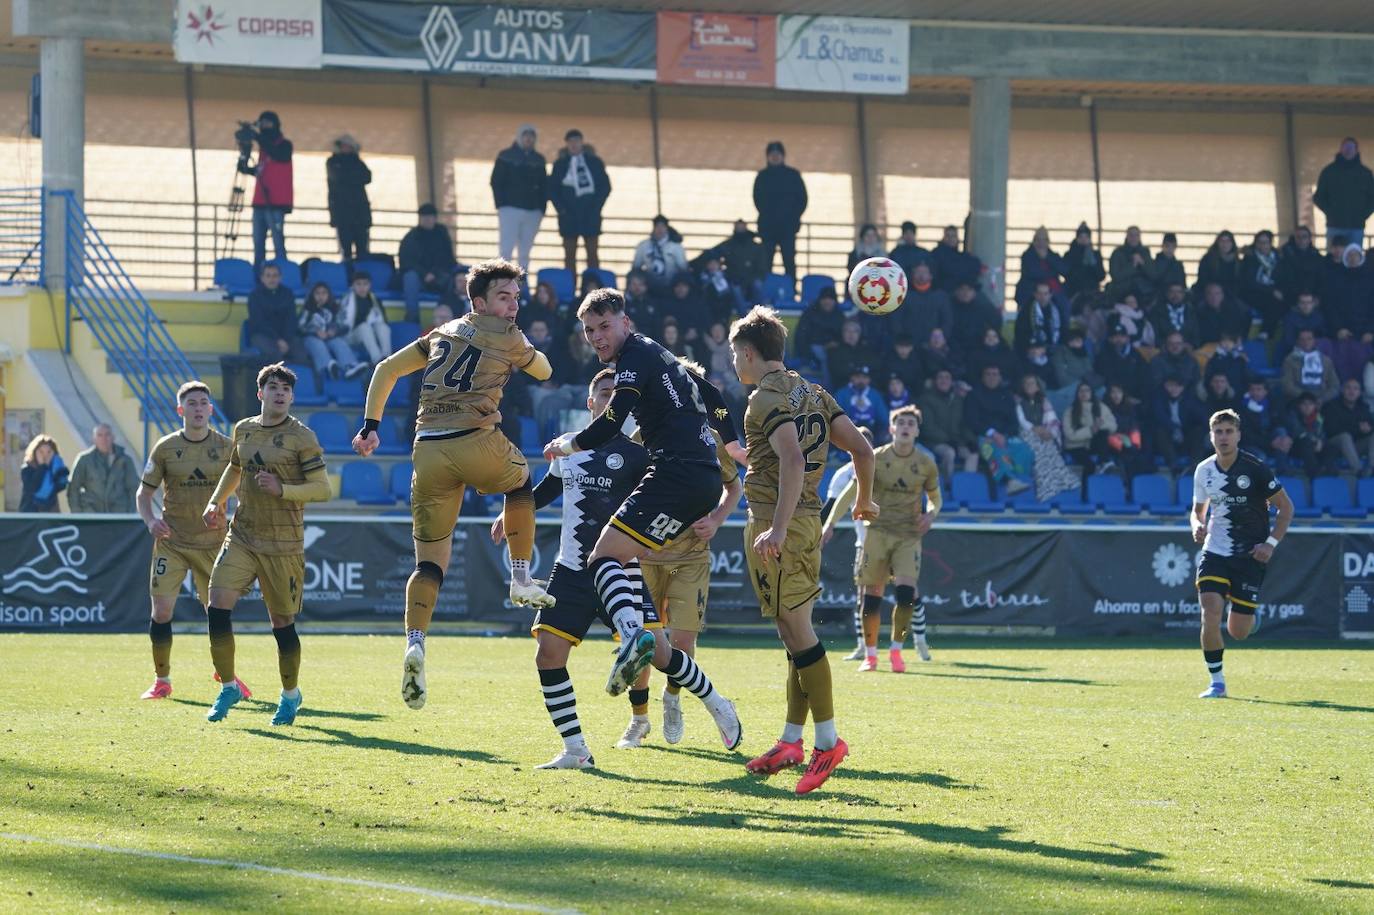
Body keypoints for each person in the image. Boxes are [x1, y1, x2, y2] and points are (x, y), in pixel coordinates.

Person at [541, 289, 743, 745]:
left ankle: (632, 638)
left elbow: (612, 424)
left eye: (604, 326)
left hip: (675, 474)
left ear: (625, 321)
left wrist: (567, 445)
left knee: (604, 556)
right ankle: (715, 704)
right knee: (617, 569)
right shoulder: (659, 353)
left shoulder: (634, 358)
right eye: (589, 330)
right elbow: (709, 391)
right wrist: (730, 440)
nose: (596, 337)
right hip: (697, 478)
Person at [353, 260, 556, 710]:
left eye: (517, 297)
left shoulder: (442, 333)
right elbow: (544, 372)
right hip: (474, 440)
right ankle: (520, 577)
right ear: (479, 301)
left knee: (429, 566)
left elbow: (386, 370)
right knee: (522, 482)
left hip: (426, 451)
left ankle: (416, 643)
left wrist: (371, 426)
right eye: (505, 297)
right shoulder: (508, 335)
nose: (514, 305)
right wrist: (525, 349)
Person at [729, 304, 877, 794]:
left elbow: (792, 459)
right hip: (807, 521)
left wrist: (776, 527)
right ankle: (791, 739)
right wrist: (866, 500)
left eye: (735, 355)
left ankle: (828, 741)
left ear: (749, 353)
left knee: (798, 632)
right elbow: (860, 449)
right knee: (795, 633)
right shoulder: (813, 392)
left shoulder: (763, 399)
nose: (734, 363)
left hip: (782, 524)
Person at [621, 359, 742, 749]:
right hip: (646, 556)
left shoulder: (712, 440)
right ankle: (638, 720)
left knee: (683, 646)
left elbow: (733, 488)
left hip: (691, 556)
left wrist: (718, 519)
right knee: (640, 644)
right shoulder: (643, 436)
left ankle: (672, 698)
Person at [201, 363, 331, 725]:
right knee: (218, 605)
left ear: (291, 396)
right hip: (242, 535)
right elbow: (235, 468)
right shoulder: (243, 429)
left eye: (286, 389)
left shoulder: (302, 437)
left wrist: (283, 489)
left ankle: (290, 695)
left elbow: (323, 489)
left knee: (281, 622)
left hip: (283, 543)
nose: (280, 393)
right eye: (274, 387)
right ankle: (228, 686)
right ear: (261, 393)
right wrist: (216, 501)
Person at [135, 382, 244, 701]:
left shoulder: (227, 448)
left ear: (211, 410)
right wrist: (151, 520)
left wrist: (231, 517)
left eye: (204, 403)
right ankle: (162, 679)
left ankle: (227, 675)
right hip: (172, 541)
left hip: (212, 544)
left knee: (217, 613)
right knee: (162, 611)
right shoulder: (166, 448)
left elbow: (242, 493)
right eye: (192, 403)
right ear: (181, 410)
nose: (199, 408)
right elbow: (144, 494)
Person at [1191, 409, 1293, 698]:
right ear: (1211, 436)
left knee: (1239, 631)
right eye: (1218, 432)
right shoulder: (1204, 470)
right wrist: (1197, 525)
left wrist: (1269, 545)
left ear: (1238, 435)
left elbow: (1286, 509)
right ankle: (1217, 682)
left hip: (1249, 555)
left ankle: (1249, 616)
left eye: (1228, 431)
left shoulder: (1256, 468)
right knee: (1209, 613)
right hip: (1215, 551)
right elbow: (1197, 512)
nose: (1223, 437)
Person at [828, 406, 939, 672]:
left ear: (917, 430)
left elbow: (936, 498)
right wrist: (829, 523)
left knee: (906, 594)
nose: (905, 426)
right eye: (900, 422)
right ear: (891, 429)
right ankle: (871, 654)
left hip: (908, 536)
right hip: (876, 532)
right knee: (872, 595)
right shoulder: (874, 458)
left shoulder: (926, 463)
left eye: (911, 423)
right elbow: (849, 491)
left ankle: (897, 652)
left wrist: (931, 515)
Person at [818, 425, 875, 660]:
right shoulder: (844, 475)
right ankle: (864, 647)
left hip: (894, 538)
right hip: (865, 543)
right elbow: (831, 507)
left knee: (909, 591)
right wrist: (824, 528)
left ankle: (919, 643)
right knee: (863, 595)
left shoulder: (885, 467)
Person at [549, 128, 610, 276]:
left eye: (576, 141)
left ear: (582, 142)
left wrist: (596, 207)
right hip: (568, 217)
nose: (574, 144)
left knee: (592, 254)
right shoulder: (560, 164)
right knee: (569, 256)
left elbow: (605, 186)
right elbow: (552, 189)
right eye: (570, 142)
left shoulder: (594, 162)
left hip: (590, 215)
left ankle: (595, 288)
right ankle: (571, 290)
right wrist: (562, 210)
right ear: (567, 144)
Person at [236, 111, 292, 269]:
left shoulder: (284, 145)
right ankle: (258, 275)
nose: (265, 127)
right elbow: (250, 170)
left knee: (278, 243)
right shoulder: (264, 150)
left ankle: (283, 273)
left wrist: (257, 136)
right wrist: (244, 153)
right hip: (260, 202)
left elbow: (278, 154)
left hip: (277, 203)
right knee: (258, 243)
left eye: (268, 123)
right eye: (262, 124)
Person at [965, 365, 1032, 495]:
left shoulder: (1006, 395)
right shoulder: (973, 395)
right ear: (982, 377)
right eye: (988, 374)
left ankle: (1022, 480)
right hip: (983, 436)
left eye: (995, 374)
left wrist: (1003, 435)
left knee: (1025, 450)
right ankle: (1009, 481)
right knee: (994, 449)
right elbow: (971, 420)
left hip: (1005, 435)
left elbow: (1013, 422)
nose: (992, 377)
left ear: (1000, 377)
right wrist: (993, 433)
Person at [491, 124, 547, 272]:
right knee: (506, 249)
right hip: (510, 208)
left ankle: (522, 283)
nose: (528, 139)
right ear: (519, 137)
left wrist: (541, 208)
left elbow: (544, 185)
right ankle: (502, 279)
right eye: (525, 135)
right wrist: (501, 205)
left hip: (532, 211)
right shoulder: (505, 156)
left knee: (525, 251)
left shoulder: (539, 159)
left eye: (531, 136)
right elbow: (496, 181)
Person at [753, 141, 807, 289]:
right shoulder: (762, 176)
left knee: (789, 262)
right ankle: (765, 292)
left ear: (783, 156)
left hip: (788, 228)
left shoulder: (793, 175)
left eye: (778, 154)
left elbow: (802, 199)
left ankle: (791, 291)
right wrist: (768, 215)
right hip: (767, 228)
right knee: (765, 263)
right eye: (772, 154)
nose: (775, 157)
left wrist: (792, 217)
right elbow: (757, 199)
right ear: (768, 157)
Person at [1016, 373, 1078, 501]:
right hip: (1027, 433)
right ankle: (1045, 488)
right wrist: (1034, 429)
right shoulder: (1019, 401)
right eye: (1026, 384)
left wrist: (1049, 432)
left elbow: (1051, 419)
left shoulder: (1044, 401)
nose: (1029, 386)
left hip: (1043, 433)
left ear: (1038, 387)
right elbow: (1021, 420)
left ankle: (1062, 482)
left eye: (1032, 383)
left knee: (1050, 448)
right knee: (1039, 451)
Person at [399, 203, 456, 324]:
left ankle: (452, 317)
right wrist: (424, 274)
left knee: (456, 277)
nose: (427, 220)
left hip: (440, 277)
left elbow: (448, 259)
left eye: (430, 217)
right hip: (419, 279)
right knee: (410, 277)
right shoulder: (411, 237)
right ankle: (412, 317)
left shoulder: (442, 234)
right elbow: (406, 262)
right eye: (424, 217)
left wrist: (435, 273)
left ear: (435, 218)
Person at [917, 368, 979, 480]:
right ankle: (948, 486)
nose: (944, 381)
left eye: (947, 378)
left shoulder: (957, 400)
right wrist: (948, 440)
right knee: (949, 453)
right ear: (935, 381)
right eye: (940, 377)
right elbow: (927, 427)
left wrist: (971, 440)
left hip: (955, 441)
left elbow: (963, 424)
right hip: (933, 442)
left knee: (972, 454)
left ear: (951, 382)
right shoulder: (925, 399)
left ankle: (965, 486)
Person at [1313, 137, 1374, 249]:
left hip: (1356, 226)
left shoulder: (1366, 174)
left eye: (1351, 147)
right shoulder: (1328, 172)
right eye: (1346, 147)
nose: (1348, 150)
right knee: (1333, 260)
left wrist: (1362, 216)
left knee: (1354, 260)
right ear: (1340, 149)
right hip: (1334, 225)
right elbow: (1318, 197)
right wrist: (1331, 212)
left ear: (1356, 150)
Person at [299, 282, 366, 381]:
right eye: (317, 293)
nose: (320, 296)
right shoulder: (308, 310)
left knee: (338, 342)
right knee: (318, 344)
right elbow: (300, 327)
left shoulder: (335, 309)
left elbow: (344, 326)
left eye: (324, 293)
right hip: (311, 338)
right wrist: (315, 332)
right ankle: (327, 367)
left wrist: (334, 331)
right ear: (312, 295)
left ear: (328, 295)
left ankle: (350, 366)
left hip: (329, 337)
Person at [68, 422, 139, 513]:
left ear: (113, 437)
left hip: (118, 514)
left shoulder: (125, 461)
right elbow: (73, 487)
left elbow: (133, 489)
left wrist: (130, 513)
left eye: (107, 435)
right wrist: (77, 513)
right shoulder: (84, 460)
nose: (104, 439)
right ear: (94, 439)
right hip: (91, 513)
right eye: (99, 435)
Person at [245, 263, 306, 364]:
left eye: (275, 275)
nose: (271, 279)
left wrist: (285, 340)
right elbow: (259, 322)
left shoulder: (288, 293)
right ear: (262, 278)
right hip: (263, 335)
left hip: (286, 336)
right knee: (274, 354)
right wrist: (278, 340)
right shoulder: (254, 296)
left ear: (280, 277)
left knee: (301, 354)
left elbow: (291, 319)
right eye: (268, 276)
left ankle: (301, 379)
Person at [326, 133, 371, 264]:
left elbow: (367, 177)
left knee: (363, 250)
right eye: (343, 146)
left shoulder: (358, 162)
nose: (346, 148)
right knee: (346, 251)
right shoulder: (332, 162)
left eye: (349, 146)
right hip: (342, 213)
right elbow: (338, 178)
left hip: (360, 212)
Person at [337, 271, 392, 367]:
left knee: (383, 327)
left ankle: (387, 358)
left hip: (370, 335)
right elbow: (341, 324)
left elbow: (382, 320)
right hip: (350, 336)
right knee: (364, 327)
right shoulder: (347, 300)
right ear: (353, 285)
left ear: (370, 285)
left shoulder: (374, 300)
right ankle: (377, 361)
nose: (362, 288)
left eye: (365, 284)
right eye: (358, 284)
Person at [1151, 376, 1207, 469]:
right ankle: (1173, 466)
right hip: (1167, 439)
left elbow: (1202, 418)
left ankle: (1195, 466)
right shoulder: (1158, 399)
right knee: (1160, 431)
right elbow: (1160, 417)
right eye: (1170, 386)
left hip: (1186, 437)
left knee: (1198, 431)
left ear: (1183, 387)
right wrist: (1174, 428)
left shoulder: (1190, 400)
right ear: (1165, 386)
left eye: (1178, 386)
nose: (1174, 389)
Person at [1322, 378, 1374, 475]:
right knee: (1345, 436)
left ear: (1359, 392)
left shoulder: (1363, 407)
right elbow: (1331, 430)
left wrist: (1368, 429)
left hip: (1356, 446)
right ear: (1342, 390)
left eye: (1355, 389)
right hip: (1336, 445)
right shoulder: (1331, 406)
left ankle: (1372, 467)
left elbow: (1371, 425)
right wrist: (1357, 428)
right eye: (1348, 388)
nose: (1352, 391)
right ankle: (1357, 469)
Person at [1063, 382, 1117, 470]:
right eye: (1081, 391)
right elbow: (1069, 435)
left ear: (1091, 393)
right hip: (1076, 446)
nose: (1084, 393)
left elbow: (1113, 425)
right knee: (1090, 466)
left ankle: (1104, 462)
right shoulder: (1069, 411)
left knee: (1103, 433)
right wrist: (1091, 430)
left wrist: (1098, 426)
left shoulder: (1101, 407)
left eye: (1087, 390)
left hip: (1093, 444)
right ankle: (1087, 482)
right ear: (1077, 394)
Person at [1241, 230, 1285, 335]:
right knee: (1272, 303)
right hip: (1254, 292)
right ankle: (1266, 332)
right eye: (1259, 242)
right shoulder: (1250, 258)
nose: (1262, 246)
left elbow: (1283, 277)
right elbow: (1249, 281)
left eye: (1265, 242)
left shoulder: (1278, 258)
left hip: (1274, 290)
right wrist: (1271, 290)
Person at [631, 215, 689, 296]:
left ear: (667, 228)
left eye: (662, 226)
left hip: (671, 288)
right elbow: (636, 268)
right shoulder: (644, 246)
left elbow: (683, 268)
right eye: (657, 226)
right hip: (649, 289)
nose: (660, 229)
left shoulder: (676, 247)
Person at [1281, 329, 1339, 405]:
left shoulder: (1326, 361)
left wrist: (1322, 399)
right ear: (1297, 341)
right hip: (1299, 400)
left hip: (1323, 401)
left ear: (1314, 341)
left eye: (1309, 339)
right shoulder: (1290, 360)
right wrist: (1307, 399)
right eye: (1302, 339)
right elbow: (1287, 386)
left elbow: (1334, 386)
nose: (1306, 342)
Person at [834, 365, 888, 437]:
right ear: (851, 378)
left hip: (872, 432)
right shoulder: (842, 394)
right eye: (858, 377)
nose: (861, 380)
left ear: (869, 380)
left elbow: (884, 418)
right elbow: (836, 417)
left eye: (864, 377)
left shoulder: (875, 394)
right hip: (848, 432)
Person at [19, 434, 67, 513]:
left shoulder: (55, 470)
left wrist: (57, 468)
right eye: (41, 452)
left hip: (50, 511)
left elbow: (61, 485)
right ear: (34, 452)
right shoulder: (27, 469)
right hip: (30, 512)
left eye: (49, 452)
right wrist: (42, 467)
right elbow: (32, 487)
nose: (45, 455)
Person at [1107, 226, 1156, 304]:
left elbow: (1153, 274)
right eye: (1131, 235)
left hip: (1142, 292)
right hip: (1121, 291)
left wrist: (1142, 263)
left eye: (1136, 235)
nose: (1134, 238)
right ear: (1127, 236)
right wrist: (1132, 265)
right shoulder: (1118, 253)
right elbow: (1115, 276)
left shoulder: (1145, 252)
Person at [1277, 226, 1324, 305]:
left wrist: (1318, 297)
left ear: (1309, 239)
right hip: (1290, 298)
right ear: (1294, 239)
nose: (1301, 240)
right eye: (1298, 237)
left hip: (1311, 300)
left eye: (1304, 237)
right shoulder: (1285, 256)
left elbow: (1321, 279)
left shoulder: (1317, 257)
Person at [1148, 282, 1201, 349]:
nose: (1175, 295)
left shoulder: (1192, 312)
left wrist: (1191, 345)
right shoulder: (1157, 312)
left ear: (1184, 294)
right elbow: (1153, 336)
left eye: (1179, 292)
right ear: (1167, 294)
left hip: (1188, 353)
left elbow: (1197, 336)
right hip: (1163, 353)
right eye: (1172, 292)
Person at [1063, 222, 1106, 303]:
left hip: (1092, 292)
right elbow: (1067, 274)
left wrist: (1093, 265)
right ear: (1077, 238)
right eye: (1081, 237)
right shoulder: (1069, 255)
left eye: (1086, 237)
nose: (1084, 239)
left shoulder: (1095, 255)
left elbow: (1101, 276)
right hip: (1074, 291)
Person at [933, 225, 982, 293]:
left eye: (953, 236)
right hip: (945, 291)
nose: (950, 239)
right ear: (943, 238)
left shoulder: (963, 256)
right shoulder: (936, 254)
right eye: (948, 236)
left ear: (957, 239)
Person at [1197, 231, 1243, 303]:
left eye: (1228, 241)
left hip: (1233, 297)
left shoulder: (1238, 262)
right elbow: (1203, 279)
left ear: (1232, 244)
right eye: (1222, 241)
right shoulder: (1208, 259)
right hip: (1212, 295)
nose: (1225, 244)